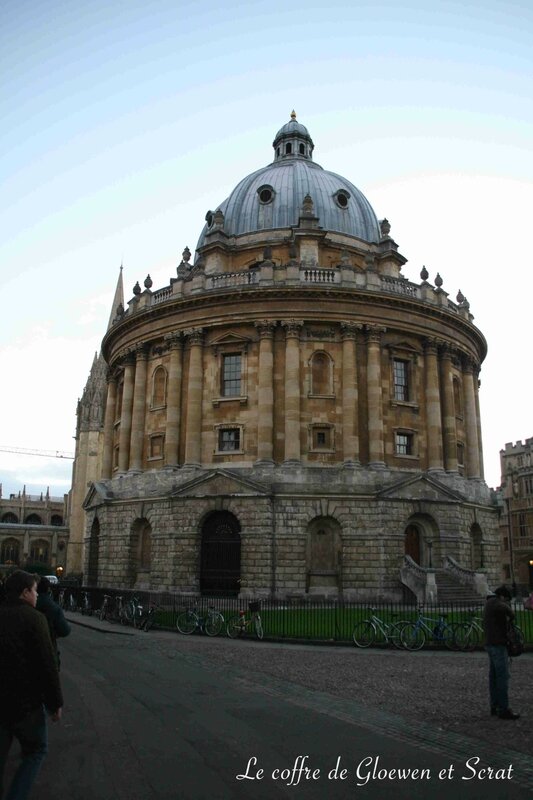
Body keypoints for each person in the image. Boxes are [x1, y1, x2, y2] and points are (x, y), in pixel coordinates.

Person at [0, 570, 63, 799]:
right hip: (26, 704)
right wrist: (55, 702)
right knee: (36, 751)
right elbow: (47, 665)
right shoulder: (35, 618)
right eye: (34, 591)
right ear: (25, 592)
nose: (36, 595)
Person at [483, 584, 520, 721]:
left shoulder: (488, 603)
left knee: (493, 677)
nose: (507, 602)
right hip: (498, 644)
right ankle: (504, 709)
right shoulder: (498, 604)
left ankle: (494, 705)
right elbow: (511, 612)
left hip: (489, 644)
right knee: (502, 677)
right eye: (507, 599)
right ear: (502, 596)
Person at [36, 577, 71, 670]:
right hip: (48, 651)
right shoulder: (53, 607)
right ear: (48, 589)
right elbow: (65, 631)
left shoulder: (29, 603)